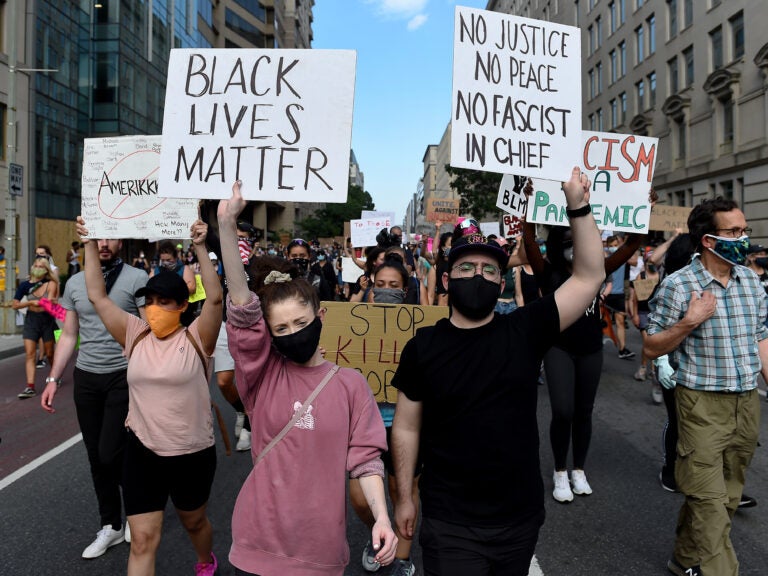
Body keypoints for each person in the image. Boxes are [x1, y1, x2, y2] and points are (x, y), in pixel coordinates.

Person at [391, 168, 605, 576]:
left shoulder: (526, 329)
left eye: (490, 270)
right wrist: (405, 495)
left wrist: (578, 203)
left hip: (518, 517)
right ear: (448, 279)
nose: (479, 275)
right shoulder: (423, 346)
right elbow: (406, 428)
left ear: (501, 280)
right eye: (467, 268)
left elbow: (590, 275)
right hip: (449, 520)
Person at [218, 180, 397, 576]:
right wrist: (227, 227)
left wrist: (381, 517)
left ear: (321, 317)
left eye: (300, 322)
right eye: (279, 328)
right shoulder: (260, 377)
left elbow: (367, 460)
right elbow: (243, 312)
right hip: (255, 546)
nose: (291, 333)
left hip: (321, 551)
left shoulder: (351, 384)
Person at [78, 216, 222, 576]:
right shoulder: (135, 334)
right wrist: (90, 242)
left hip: (191, 453)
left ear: (183, 306)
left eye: (166, 302)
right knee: (142, 540)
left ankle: (206, 561)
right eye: (151, 300)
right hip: (142, 452)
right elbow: (97, 296)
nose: (156, 308)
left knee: (194, 523)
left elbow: (216, 298)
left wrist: (201, 247)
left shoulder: (195, 338)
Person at [644, 197, 767, 576]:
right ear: (709, 241)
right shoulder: (679, 286)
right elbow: (650, 346)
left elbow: (761, 337)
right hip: (700, 406)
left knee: (726, 496)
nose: (743, 239)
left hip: (745, 404)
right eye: (733, 232)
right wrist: (688, 322)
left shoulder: (751, 281)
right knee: (710, 502)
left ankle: (683, 559)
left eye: (744, 230)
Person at [41, 235, 148, 558]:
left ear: (121, 241)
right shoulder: (74, 283)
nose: (104, 243)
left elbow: (147, 328)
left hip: (123, 375)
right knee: (95, 456)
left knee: (110, 451)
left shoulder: (136, 278)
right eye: (97, 238)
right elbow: (70, 334)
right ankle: (111, 524)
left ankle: (137, 512)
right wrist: (52, 378)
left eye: (110, 237)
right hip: (87, 377)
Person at [349, 255, 420, 576]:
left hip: (406, 425)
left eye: (394, 285)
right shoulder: (352, 323)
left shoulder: (420, 329)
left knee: (402, 492)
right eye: (380, 285)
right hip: (365, 426)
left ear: (405, 291)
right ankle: (378, 530)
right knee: (361, 499)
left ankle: (401, 557)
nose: (386, 290)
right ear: (371, 290)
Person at [13, 257, 60, 398]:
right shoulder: (24, 285)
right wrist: (30, 304)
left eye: (41, 266)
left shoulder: (51, 283)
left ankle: (55, 377)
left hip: (47, 320)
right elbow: (15, 304)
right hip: (31, 320)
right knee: (30, 354)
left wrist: (48, 302)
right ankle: (30, 387)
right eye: (36, 265)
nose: (38, 268)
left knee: (50, 353)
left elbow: (50, 303)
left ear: (46, 270)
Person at [604, 235, 636, 359]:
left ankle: (622, 349)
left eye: (615, 245)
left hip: (618, 293)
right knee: (598, 322)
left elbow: (634, 261)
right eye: (610, 246)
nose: (613, 248)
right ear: (607, 246)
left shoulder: (623, 256)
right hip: (604, 292)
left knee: (620, 321)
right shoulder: (604, 255)